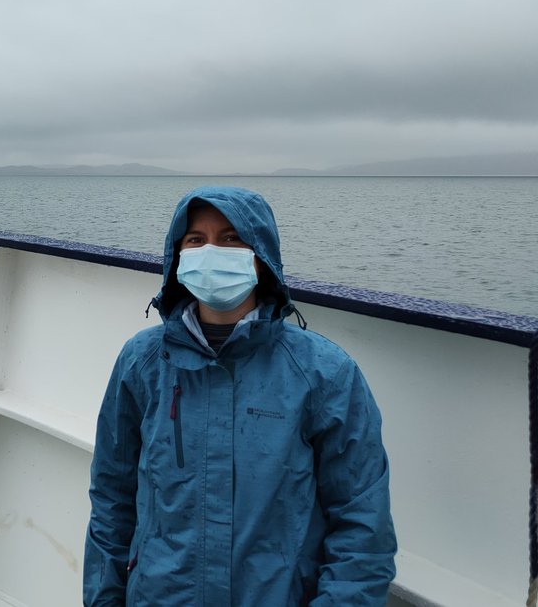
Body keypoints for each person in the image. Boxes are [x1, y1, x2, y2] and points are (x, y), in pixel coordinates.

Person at [84, 185, 396, 606]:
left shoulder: (324, 373)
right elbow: (112, 498)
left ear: (260, 255)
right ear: (178, 257)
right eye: (196, 240)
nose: (212, 250)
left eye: (231, 238)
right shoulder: (142, 361)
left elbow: (362, 525)